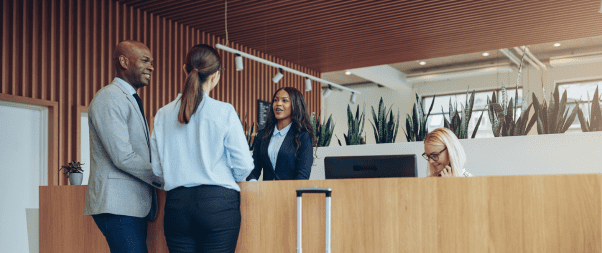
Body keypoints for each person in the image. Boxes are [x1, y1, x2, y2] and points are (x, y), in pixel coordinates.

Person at [150, 44, 253, 253]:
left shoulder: (163, 114)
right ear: (216, 75)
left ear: (185, 69)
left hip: (177, 207)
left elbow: (158, 171)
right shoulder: (224, 111)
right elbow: (244, 166)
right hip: (219, 206)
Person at [84, 40, 164, 253]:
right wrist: (163, 177)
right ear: (124, 61)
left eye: (152, 62)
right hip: (117, 206)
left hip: (130, 206)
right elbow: (123, 157)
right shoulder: (109, 97)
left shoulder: (128, 98)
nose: (151, 67)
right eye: (145, 61)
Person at [246, 87, 316, 181]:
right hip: (265, 193)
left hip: (290, 193)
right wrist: (253, 183)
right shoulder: (262, 135)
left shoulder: (303, 136)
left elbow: (302, 175)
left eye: (284, 100)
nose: (278, 104)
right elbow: (254, 168)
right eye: (276, 100)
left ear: (295, 105)